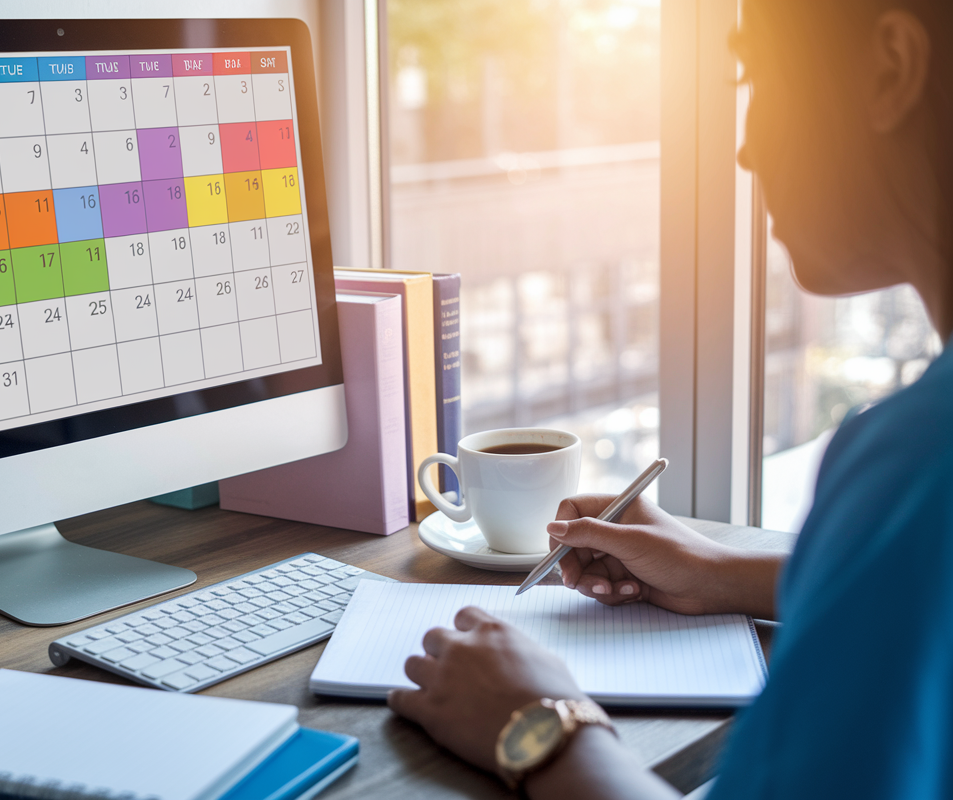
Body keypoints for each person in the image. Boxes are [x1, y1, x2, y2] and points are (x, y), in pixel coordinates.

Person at [387, 1, 953, 797]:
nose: (748, 148)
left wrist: (542, 726)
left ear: (890, 69)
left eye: (756, 77)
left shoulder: (919, 462)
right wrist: (719, 572)